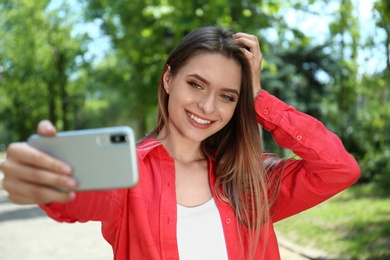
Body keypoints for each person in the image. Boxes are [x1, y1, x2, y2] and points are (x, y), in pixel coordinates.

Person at [0, 26, 360, 259]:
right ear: (169, 78)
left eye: (228, 96)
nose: (207, 107)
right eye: (196, 84)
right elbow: (74, 199)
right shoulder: (128, 172)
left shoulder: (252, 179)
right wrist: (43, 180)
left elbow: (338, 168)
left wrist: (258, 98)